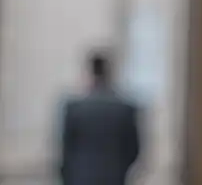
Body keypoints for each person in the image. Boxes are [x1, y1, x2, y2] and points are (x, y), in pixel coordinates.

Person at [57, 51, 141, 185]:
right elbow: (134, 149)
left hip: (80, 178)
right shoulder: (125, 109)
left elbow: (66, 148)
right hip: (114, 177)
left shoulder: (75, 108)